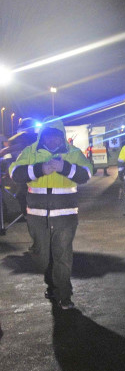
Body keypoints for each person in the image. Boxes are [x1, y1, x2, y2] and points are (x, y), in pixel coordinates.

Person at [9, 117, 92, 309]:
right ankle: (52, 284)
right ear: (42, 137)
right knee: (43, 256)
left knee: (62, 255)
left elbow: (86, 174)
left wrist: (65, 168)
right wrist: (40, 169)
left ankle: (64, 294)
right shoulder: (30, 152)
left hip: (66, 216)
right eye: (48, 137)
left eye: (56, 137)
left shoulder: (73, 153)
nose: (52, 141)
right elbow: (15, 173)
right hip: (37, 216)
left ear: (62, 137)